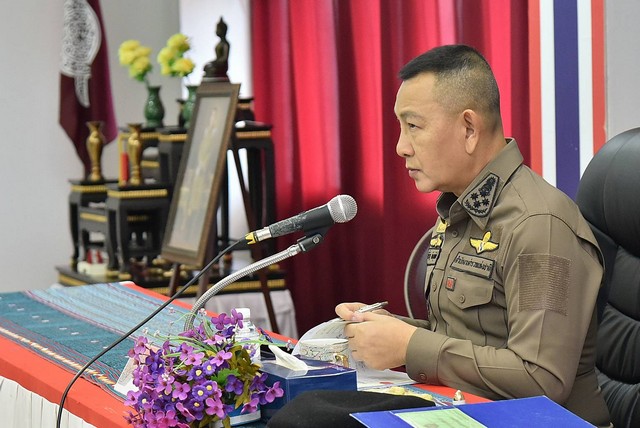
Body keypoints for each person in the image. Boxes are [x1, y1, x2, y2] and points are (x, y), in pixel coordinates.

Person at [335, 44, 611, 427]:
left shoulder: (538, 224)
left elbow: (541, 380)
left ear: (468, 128)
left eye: (413, 126)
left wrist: (410, 346)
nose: (401, 147)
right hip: (465, 411)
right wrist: (388, 332)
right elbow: (468, 341)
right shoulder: (459, 209)